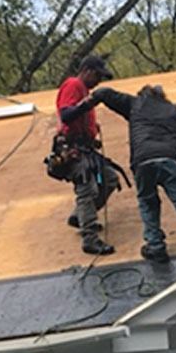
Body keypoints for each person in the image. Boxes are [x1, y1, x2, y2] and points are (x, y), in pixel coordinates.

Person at [92, 83, 176, 264]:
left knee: (148, 203)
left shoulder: (135, 104)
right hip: (171, 160)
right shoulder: (175, 113)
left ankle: (156, 246)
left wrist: (85, 106)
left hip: (143, 161)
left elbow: (104, 93)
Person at [55, 54, 120, 256]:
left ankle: (79, 217)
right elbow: (66, 114)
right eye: (98, 76)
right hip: (73, 149)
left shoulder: (83, 91)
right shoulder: (73, 85)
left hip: (85, 147)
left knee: (110, 179)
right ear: (88, 71)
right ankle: (89, 238)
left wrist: (91, 135)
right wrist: (90, 103)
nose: (98, 81)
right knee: (86, 189)